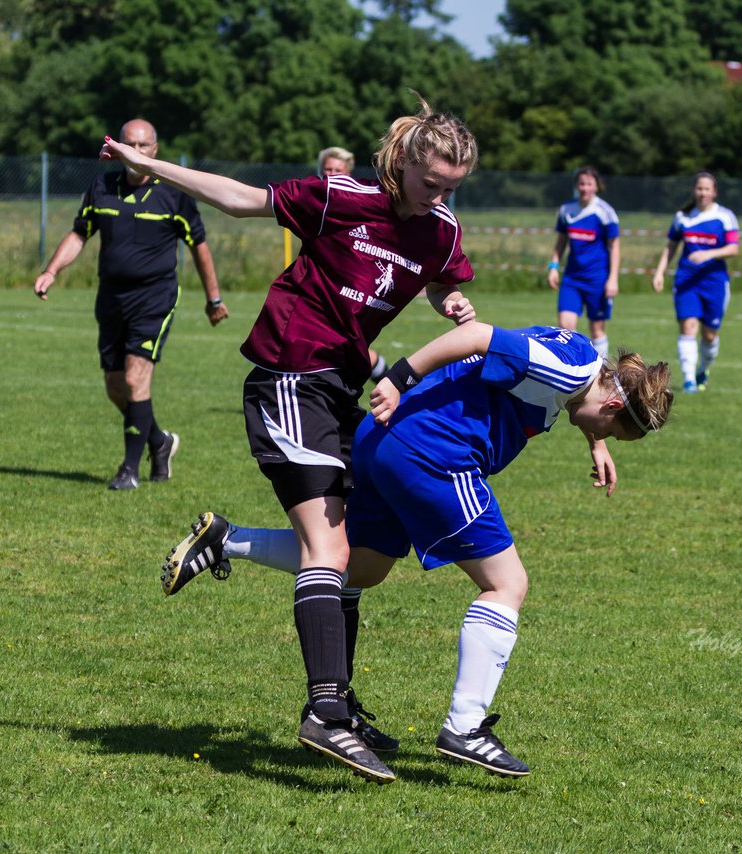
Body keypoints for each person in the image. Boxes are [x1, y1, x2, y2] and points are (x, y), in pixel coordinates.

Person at [101, 96, 479, 785]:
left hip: (344, 389)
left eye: (453, 188)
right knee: (328, 548)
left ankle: (338, 697)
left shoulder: (442, 230)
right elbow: (243, 199)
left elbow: (439, 281)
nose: (440, 198)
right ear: (404, 163)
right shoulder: (340, 196)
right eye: (432, 184)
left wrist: (448, 301)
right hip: (288, 373)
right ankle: (325, 713)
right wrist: (150, 165)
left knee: (362, 556)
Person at [160, 321, 674, 779]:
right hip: (433, 454)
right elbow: (476, 337)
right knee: (507, 583)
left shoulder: (581, 359)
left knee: (360, 565)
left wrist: (597, 442)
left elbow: (571, 394)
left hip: (383, 442)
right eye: (607, 430)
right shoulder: (564, 370)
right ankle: (465, 728)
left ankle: (227, 541)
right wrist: (399, 376)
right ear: (611, 404)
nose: (596, 433)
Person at [34, 118, 227, 490]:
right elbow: (79, 233)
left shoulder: (173, 192)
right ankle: (159, 441)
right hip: (110, 297)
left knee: (137, 378)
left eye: (143, 146)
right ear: (118, 147)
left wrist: (213, 298)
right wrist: (52, 271)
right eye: (130, 145)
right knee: (115, 386)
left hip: (154, 298)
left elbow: (198, 246)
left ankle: (129, 470)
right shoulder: (103, 186)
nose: (136, 153)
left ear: (155, 150)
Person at [651, 171, 739, 394]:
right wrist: (660, 272)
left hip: (715, 282)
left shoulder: (725, 216)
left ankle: (703, 369)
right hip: (686, 281)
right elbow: (670, 246)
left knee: (709, 335)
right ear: (694, 190)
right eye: (699, 188)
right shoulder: (683, 216)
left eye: (707, 189)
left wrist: (708, 255)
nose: (703, 193)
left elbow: (733, 248)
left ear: (714, 192)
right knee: (688, 327)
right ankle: (689, 379)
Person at [316, 145, 390, 382]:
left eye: (338, 170)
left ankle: (386, 377)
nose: (331, 174)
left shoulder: (357, 205)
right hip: (320, 285)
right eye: (327, 169)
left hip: (349, 287)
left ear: (348, 174)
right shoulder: (315, 200)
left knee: (345, 347)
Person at [546, 166, 621, 361]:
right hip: (572, 278)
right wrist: (554, 266)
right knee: (565, 325)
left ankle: (601, 370)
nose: (585, 188)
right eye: (581, 183)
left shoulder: (605, 212)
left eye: (589, 184)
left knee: (597, 329)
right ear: (576, 186)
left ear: (596, 186)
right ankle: (574, 368)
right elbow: (561, 241)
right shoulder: (566, 210)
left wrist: (613, 279)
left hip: (598, 278)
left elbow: (615, 247)